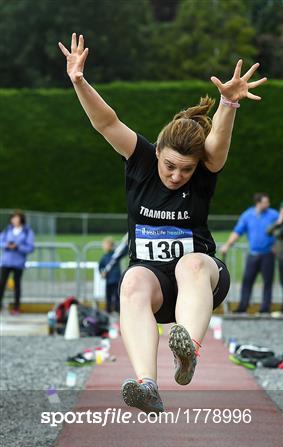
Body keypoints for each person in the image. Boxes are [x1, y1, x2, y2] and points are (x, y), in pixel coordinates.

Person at [59, 33, 267, 414]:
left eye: (185, 170)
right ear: (157, 152)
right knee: (133, 278)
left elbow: (217, 141)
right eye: (169, 166)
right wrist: (79, 81)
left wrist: (228, 103)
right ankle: (147, 385)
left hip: (201, 281)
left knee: (190, 263)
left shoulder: (204, 170)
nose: (176, 176)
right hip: (156, 287)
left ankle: (187, 349)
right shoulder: (140, 159)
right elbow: (107, 122)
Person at [220, 193, 279, 315]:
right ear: (258, 203)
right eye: (265, 202)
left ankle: (265, 308)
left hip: (268, 254)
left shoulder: (273, 214)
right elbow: (238, 231)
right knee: (247, 281)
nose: (268, 204)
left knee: (267, 282)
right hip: (253, 254)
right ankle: (243, 307)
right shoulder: (247, 215)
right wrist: (227, 245)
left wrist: (277, 245)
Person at [0, 210, 35, 315]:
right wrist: (7, 245)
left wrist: (18, 247)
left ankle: (16, 307)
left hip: (18, 262)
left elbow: (30, 247)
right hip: (6, 262)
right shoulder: (7, 230)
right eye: (13, 218)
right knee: (1, 284)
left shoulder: (27, 231)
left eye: (17, 218)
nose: (14, 220)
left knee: (17, 286)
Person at [98, 237, 124, 314]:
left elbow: (123, 252)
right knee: (108, 296)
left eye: (106, 244)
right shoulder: (104, 257)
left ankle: (118, 310)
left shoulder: (116, 255)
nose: (104, 246)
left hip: (116, 279)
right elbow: (101, 267)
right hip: (109, 280)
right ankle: (108, 310)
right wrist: (102, 273)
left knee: (117, 296)